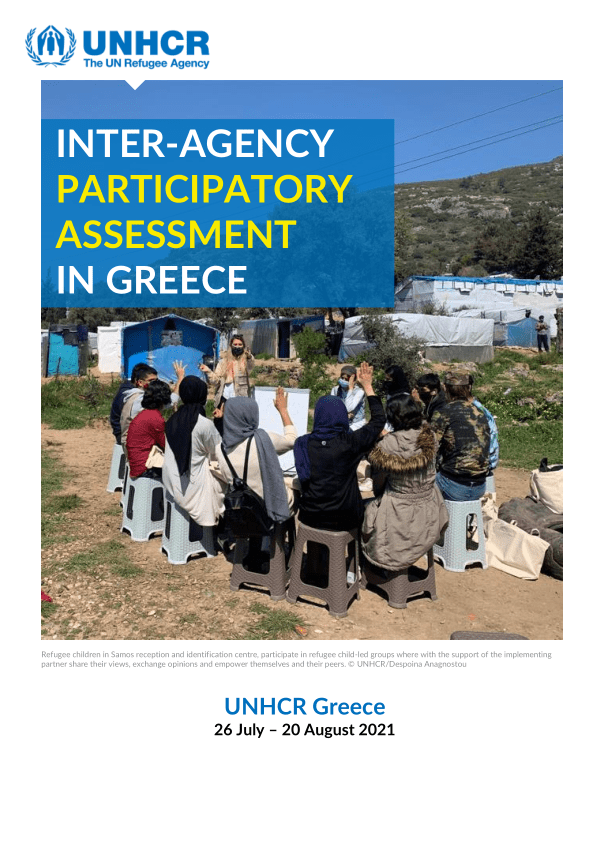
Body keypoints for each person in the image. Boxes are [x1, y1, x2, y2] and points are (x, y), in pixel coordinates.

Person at [294, 362, 386, 531]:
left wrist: (284, 413)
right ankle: (353, 549)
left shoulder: (302, 443)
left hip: (311, 516)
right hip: (345, 516)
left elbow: (304, 478)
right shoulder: (351, 442)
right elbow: (379, 420)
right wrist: (368, 387)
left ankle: (314, 549)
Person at [362, 393, 448, 570]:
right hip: (429, 512)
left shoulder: (386, 445)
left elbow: (378, 487)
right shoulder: (429, 436)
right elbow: (408, 442)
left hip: (396, 514)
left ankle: (368, 570)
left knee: (362, 509)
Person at [216, 388, 296, 522]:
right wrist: (283, 410)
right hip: (267, 508)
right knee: (295, 491)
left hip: (240, 508)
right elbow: (292, 440)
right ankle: (282, 534)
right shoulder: (263, 439)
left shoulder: (220, 448)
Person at [162, 376, 225, 527]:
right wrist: (220, 423)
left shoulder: (172, 420)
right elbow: (217, 451)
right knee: (223, 474)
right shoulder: (203, 424)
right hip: (194, 487)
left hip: (171, 481)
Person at [431, 372, 490, 501]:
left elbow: (429, 446)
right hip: (480, 484)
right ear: (468, 388)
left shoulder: (444, 412)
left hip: (453, 483)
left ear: (445, 388)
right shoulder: (480, 412)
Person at [120, 361, 185, 455]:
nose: (155, 383)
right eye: (151, 381)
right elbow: (172, 401)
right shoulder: (140, 399)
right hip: (135, 447)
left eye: (156, 380)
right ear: (140, 383)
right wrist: (180, 378)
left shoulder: (135, 396)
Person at [200, 335, 254, 431]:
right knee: (221, 428)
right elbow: (215, 381)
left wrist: (249, 356)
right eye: (235, 344)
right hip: (224, 400)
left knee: (238, 429)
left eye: (240, 344)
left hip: (240, 401)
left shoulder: (246, 361)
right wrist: (208, 371)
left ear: (243, 346)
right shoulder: (223, 362)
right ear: (231, 346)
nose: (237, 347)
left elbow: (251, 365)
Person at [126, 380, 172, 479]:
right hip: (144, 467)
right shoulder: (155, 418)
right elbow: (166, 445)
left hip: (136, 464)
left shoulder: (144, 414)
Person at [110, 363, 156, 444]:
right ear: (139, 381)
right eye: (151, 381)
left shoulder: (131, 391)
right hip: (125, 435)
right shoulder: (131, 395)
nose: (154, 384)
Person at [330, 365, 366, 430]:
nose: (343, 380)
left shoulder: (359, 392)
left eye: (346, 379)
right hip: (341, 422)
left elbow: (349, 408)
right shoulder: (335, 390)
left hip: (356, 424)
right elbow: (332, 408)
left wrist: (350, 389)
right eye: (342, 378)